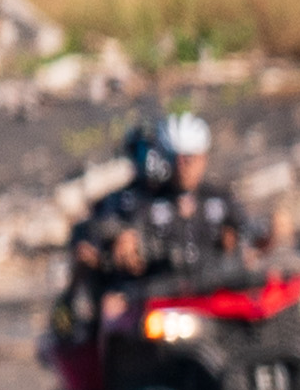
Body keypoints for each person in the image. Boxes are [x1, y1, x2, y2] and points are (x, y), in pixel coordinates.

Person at [64, 111, 258, 307]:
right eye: (176, 157)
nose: (183, 165)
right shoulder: (135, 201)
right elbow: (96, 234)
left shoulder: (218, 198)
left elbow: (249, 233)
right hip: (149, 298)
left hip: (211, 294)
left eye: (190, 157)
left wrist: (246, 241)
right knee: (113, 308)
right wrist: (118, 241)